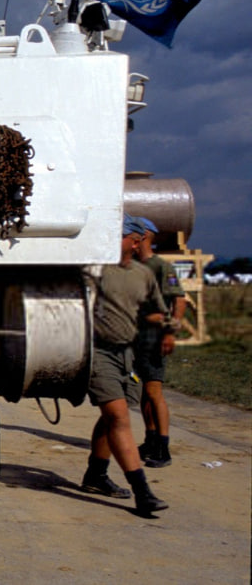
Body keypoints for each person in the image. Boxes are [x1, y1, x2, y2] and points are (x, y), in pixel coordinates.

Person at [79, 215, 168, 514]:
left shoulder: (144, 274)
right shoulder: (92, 269)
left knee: (112, 417)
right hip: (98, 351)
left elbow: (156, 309)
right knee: (118, 417)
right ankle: (143, 493)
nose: (135, 245)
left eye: (121, 236)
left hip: (128, 354)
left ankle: (96, 475)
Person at [133, 216, 186, 468]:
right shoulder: (134, 266)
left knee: (154, 392)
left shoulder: (162, 267)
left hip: (155, 336)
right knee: (144, 392)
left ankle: (163, 448)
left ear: (143, 236)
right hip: (136, 337)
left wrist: (170, 332)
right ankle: (150, 440)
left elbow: (179, 299)